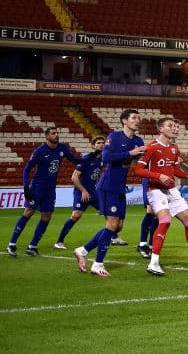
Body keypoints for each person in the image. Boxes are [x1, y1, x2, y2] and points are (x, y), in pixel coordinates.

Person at [74, 109, 146, 276]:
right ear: (124, 121)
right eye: (134, 118)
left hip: (120, 187)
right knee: (112, 225)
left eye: (138, 118)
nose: (137, 120)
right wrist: (130, 153)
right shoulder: (114, 137)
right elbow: (106, 157)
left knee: (117, 227)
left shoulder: (138, 140)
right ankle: (98, 264)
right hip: (107, 186)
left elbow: (139, 159)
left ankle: (83, 250)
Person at [132, 117, 188, 275]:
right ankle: (153, 263)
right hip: (155, 189)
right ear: (161, 129)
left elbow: (174, 169)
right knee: (165, 221)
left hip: (172, 189)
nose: (175, 128)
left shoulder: (174, 147)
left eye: (176, 126)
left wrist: (187, 176)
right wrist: (157, 176)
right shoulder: (151, 147)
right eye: (171, 126)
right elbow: (138, 171)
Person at [8, 127, 82, 257]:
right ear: (47, 136)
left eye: (57, 133)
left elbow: (75, 160)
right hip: (37, 187)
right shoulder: (39, 151)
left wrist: (90, 157)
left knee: (47, 216)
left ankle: (32, 246)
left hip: (50, 189)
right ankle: (12, 244)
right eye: (53, 133)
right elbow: (26, 170)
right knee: (29, 212)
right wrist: (26, 187)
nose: (56, 135)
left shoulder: (62, 148)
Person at [53, 136, 105, 249]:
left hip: (93, 191)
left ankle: (112, 236)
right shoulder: (86, 159)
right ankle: (59, 242)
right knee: (76, 215)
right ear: (93, 146)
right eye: (98, 143)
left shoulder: (101, 160)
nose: (101, 145)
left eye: (102, 143)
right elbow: (74, 177)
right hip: (81, 192)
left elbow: (97, 174)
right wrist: (83, 191)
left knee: (107, 210)